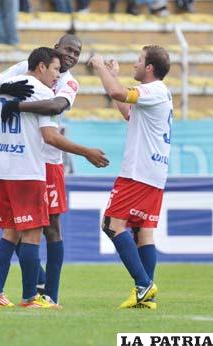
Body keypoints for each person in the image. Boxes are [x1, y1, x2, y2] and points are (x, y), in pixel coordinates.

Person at [0, 34, 109, 307]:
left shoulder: (60, 80)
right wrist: (87, 152)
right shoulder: (38, 82)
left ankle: (36, 292)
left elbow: (56, 104)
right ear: (51, 55)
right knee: (33, 232)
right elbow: (49, 119)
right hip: (34, 164)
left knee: (25, 230)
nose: (72, 57)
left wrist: (15, 101)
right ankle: (33, 295)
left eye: (77, 53)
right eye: (68, 51)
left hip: (15, 164)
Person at [88, 45, 172, 309]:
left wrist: (101, 66)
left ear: (149, 68)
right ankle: (147, 297)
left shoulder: (154, 89)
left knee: (112, 225)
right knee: (142, 232)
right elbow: (127, 111)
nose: (135, 64)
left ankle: (143, 284)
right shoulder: (158, 94)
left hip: (138, 172)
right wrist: (115, 74)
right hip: (154, 173)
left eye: (139, 61)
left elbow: (116, 90)